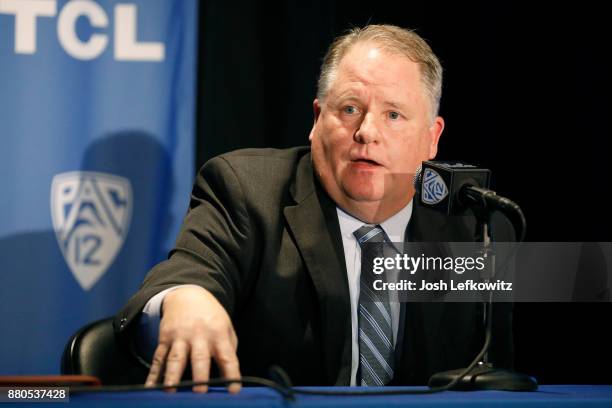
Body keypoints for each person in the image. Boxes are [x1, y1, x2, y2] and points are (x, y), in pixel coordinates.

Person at [115, 24, 514, 392]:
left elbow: (501, 376)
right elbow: (185, 275)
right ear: (317, 118)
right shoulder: (249, 191)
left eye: (393, 115)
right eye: (349, 109)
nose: (367, 133)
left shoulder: (476, 226)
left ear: (432, 138)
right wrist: (184, 297)